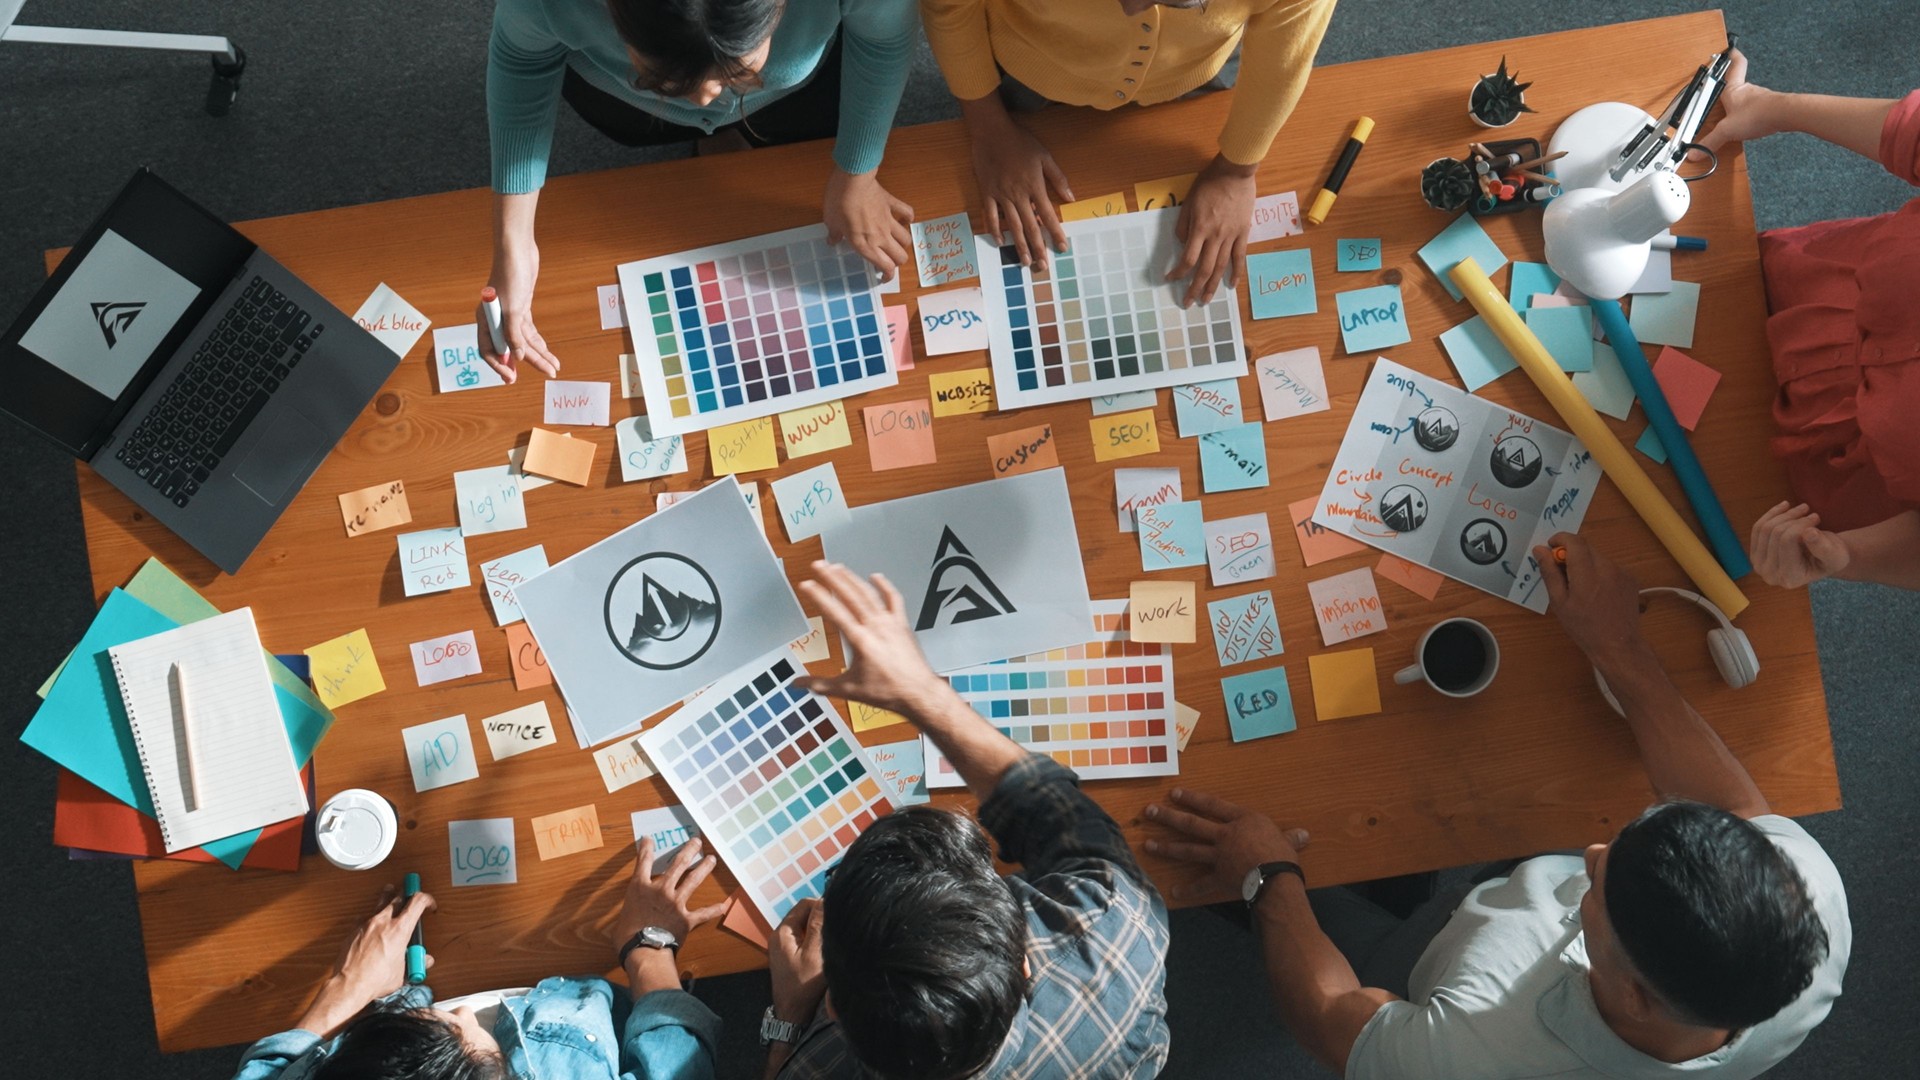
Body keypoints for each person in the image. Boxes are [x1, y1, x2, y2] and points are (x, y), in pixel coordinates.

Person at [1144, 534, 1850, 1079]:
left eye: (1599, 891)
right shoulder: (1807, 900)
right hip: (1502, 913)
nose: (1593, 851)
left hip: (1424, 959)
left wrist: (1266, 882)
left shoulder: (1471, 1054)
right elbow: (1730, 802)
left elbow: (1330, 1017)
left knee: (1280, 880)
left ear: (1632, 995)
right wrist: (1618, 644)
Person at [758, 561, 1171, 1079]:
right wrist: (922, 693)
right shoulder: (1114, 933)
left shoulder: (815, 1070)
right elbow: (1054, 813)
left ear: (834, 1009)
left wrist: (790, 1017)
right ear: (1022, 965)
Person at [481, 0, 920, 382]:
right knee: (642, 126)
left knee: (804, 127)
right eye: (663, 79)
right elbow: (523, 60)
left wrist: (857, 175)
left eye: (737, 73)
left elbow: (884, 38)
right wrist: (513, 242)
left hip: (800, 93)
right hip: (629, 109)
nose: (704, 100)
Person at [919, 0, 1339, 305]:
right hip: (1033, 63)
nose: (1134, 9)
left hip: (1192, 70)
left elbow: (1285, 55)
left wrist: (1237, 170)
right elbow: (950, 8)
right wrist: (988, 125)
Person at [1688, 52, 1920, 591]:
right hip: (1785, 286)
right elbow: (1909, 132)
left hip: (1801, 475)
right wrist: (1771, 107)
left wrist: (1844, 556)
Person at [232, 837, 728, 1079]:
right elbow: (678, 1065)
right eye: (464, 1034)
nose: (462, 1011)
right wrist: (649, 946)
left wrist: (348, 991)